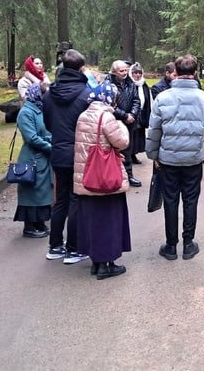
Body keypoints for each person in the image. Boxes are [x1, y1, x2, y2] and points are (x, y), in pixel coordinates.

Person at [146, 54, 204, 261]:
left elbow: (155, 129)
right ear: (194, 73)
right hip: (193, 158)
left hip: (168, 159)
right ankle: (188, 244)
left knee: (170, 200)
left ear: (175, 73)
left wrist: (152, 154)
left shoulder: (163, 98)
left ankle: (170, 246)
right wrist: (196, 130)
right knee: (190, 200)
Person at [73, 83, 131, 279]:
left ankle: (96, 263)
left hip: (87, 176)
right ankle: (108, 265)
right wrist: (121, 124)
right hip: (106, 178)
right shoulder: (107, 117)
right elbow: (122, 142)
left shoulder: (82, 116)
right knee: (110, 220)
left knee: (93, 221)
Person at [42, 49, 90, 264]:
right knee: (76, 199)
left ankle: (55, 246)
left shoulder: (49, 94)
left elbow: (48, 123)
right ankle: (74, 248)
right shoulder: (86, 93)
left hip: (58, 151)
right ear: (81, 68)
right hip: (80, 153)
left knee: (60, 199)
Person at [13, 84, 53, 238]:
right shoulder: (26, 112)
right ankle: (29, 226)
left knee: (42, 192)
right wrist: (51, 146)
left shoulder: (41, 109)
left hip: (43, 156)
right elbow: (32, 138)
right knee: (32, 191)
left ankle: (40, 222)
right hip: (32, 157)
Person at [106, 60, 141, 187]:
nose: (125, 73)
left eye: (126, 70)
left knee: (128, 149)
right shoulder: (108, 84)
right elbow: (109, 104)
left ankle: (129, 175)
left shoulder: (131, 83)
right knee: (115, 150)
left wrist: (132, 114)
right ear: (114, 72)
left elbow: (136, 100)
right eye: (121, 71)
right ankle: (115, 176)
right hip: (114, 121)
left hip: (130, 121)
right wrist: (124, 115)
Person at [130, 63, 151, 164]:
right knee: (131, 135)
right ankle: (130, 155)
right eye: (135, 73)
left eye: (139, 73)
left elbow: (147, 101)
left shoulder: (144, 85)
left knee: (138, 135)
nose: (137, 75)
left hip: (141, 114)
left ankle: (134, 154)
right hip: (132, 114)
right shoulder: (129, 85)